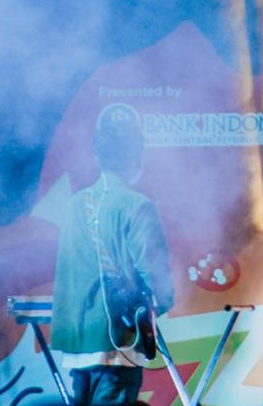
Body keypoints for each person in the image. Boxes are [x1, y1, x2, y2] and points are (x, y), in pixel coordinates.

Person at [51, 104, 175, 361]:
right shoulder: (137, 205)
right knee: (118, 402)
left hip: (77, 342)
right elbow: (154, 269)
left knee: (81, 403)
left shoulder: (74, 204)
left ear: (97, 157)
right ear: (135, 156)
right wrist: (161, 303)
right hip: (118, 339)